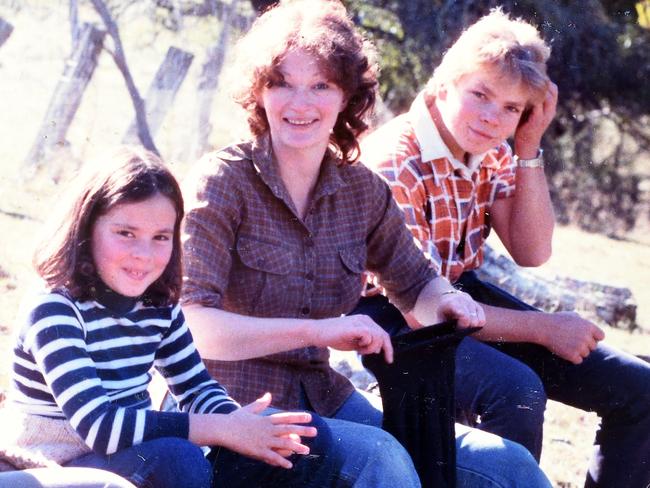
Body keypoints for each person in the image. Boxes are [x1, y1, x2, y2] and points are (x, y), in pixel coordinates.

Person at [181, 1, 552, 486]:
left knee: (507, 464)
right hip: (233, 408)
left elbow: (417, 282)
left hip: (323, 396)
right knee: (382, 459)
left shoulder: (361, 190)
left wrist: (449, 302)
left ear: (346, 97)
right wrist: (317, 332)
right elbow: (194, 326)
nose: (300, 104)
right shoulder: (222, 181)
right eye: (282, 84)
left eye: (320, 86)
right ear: (258, 91)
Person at [359, 8, 650, 488]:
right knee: (514, 390)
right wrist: (543, 328)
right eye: (480, 95)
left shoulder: (489, 146)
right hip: (389, 317)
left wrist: (528, 145)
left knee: (638, 390)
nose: (493, 117)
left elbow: (532, 251)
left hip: (460, 298)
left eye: (512, 108)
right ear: (444, 83)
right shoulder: (395, 162)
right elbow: (420, 309)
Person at [2, 146, 345, 488]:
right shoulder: (54, 308)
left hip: (132, 453)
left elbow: (195, 387)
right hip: (55, 465)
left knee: (304, 445)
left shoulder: (158, 306)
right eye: (126, 234)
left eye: (160, 237)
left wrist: (239, 423)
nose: (143, 255)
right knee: (177, 460)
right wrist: (221, 429)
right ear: (87, 227)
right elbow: (101, 427)